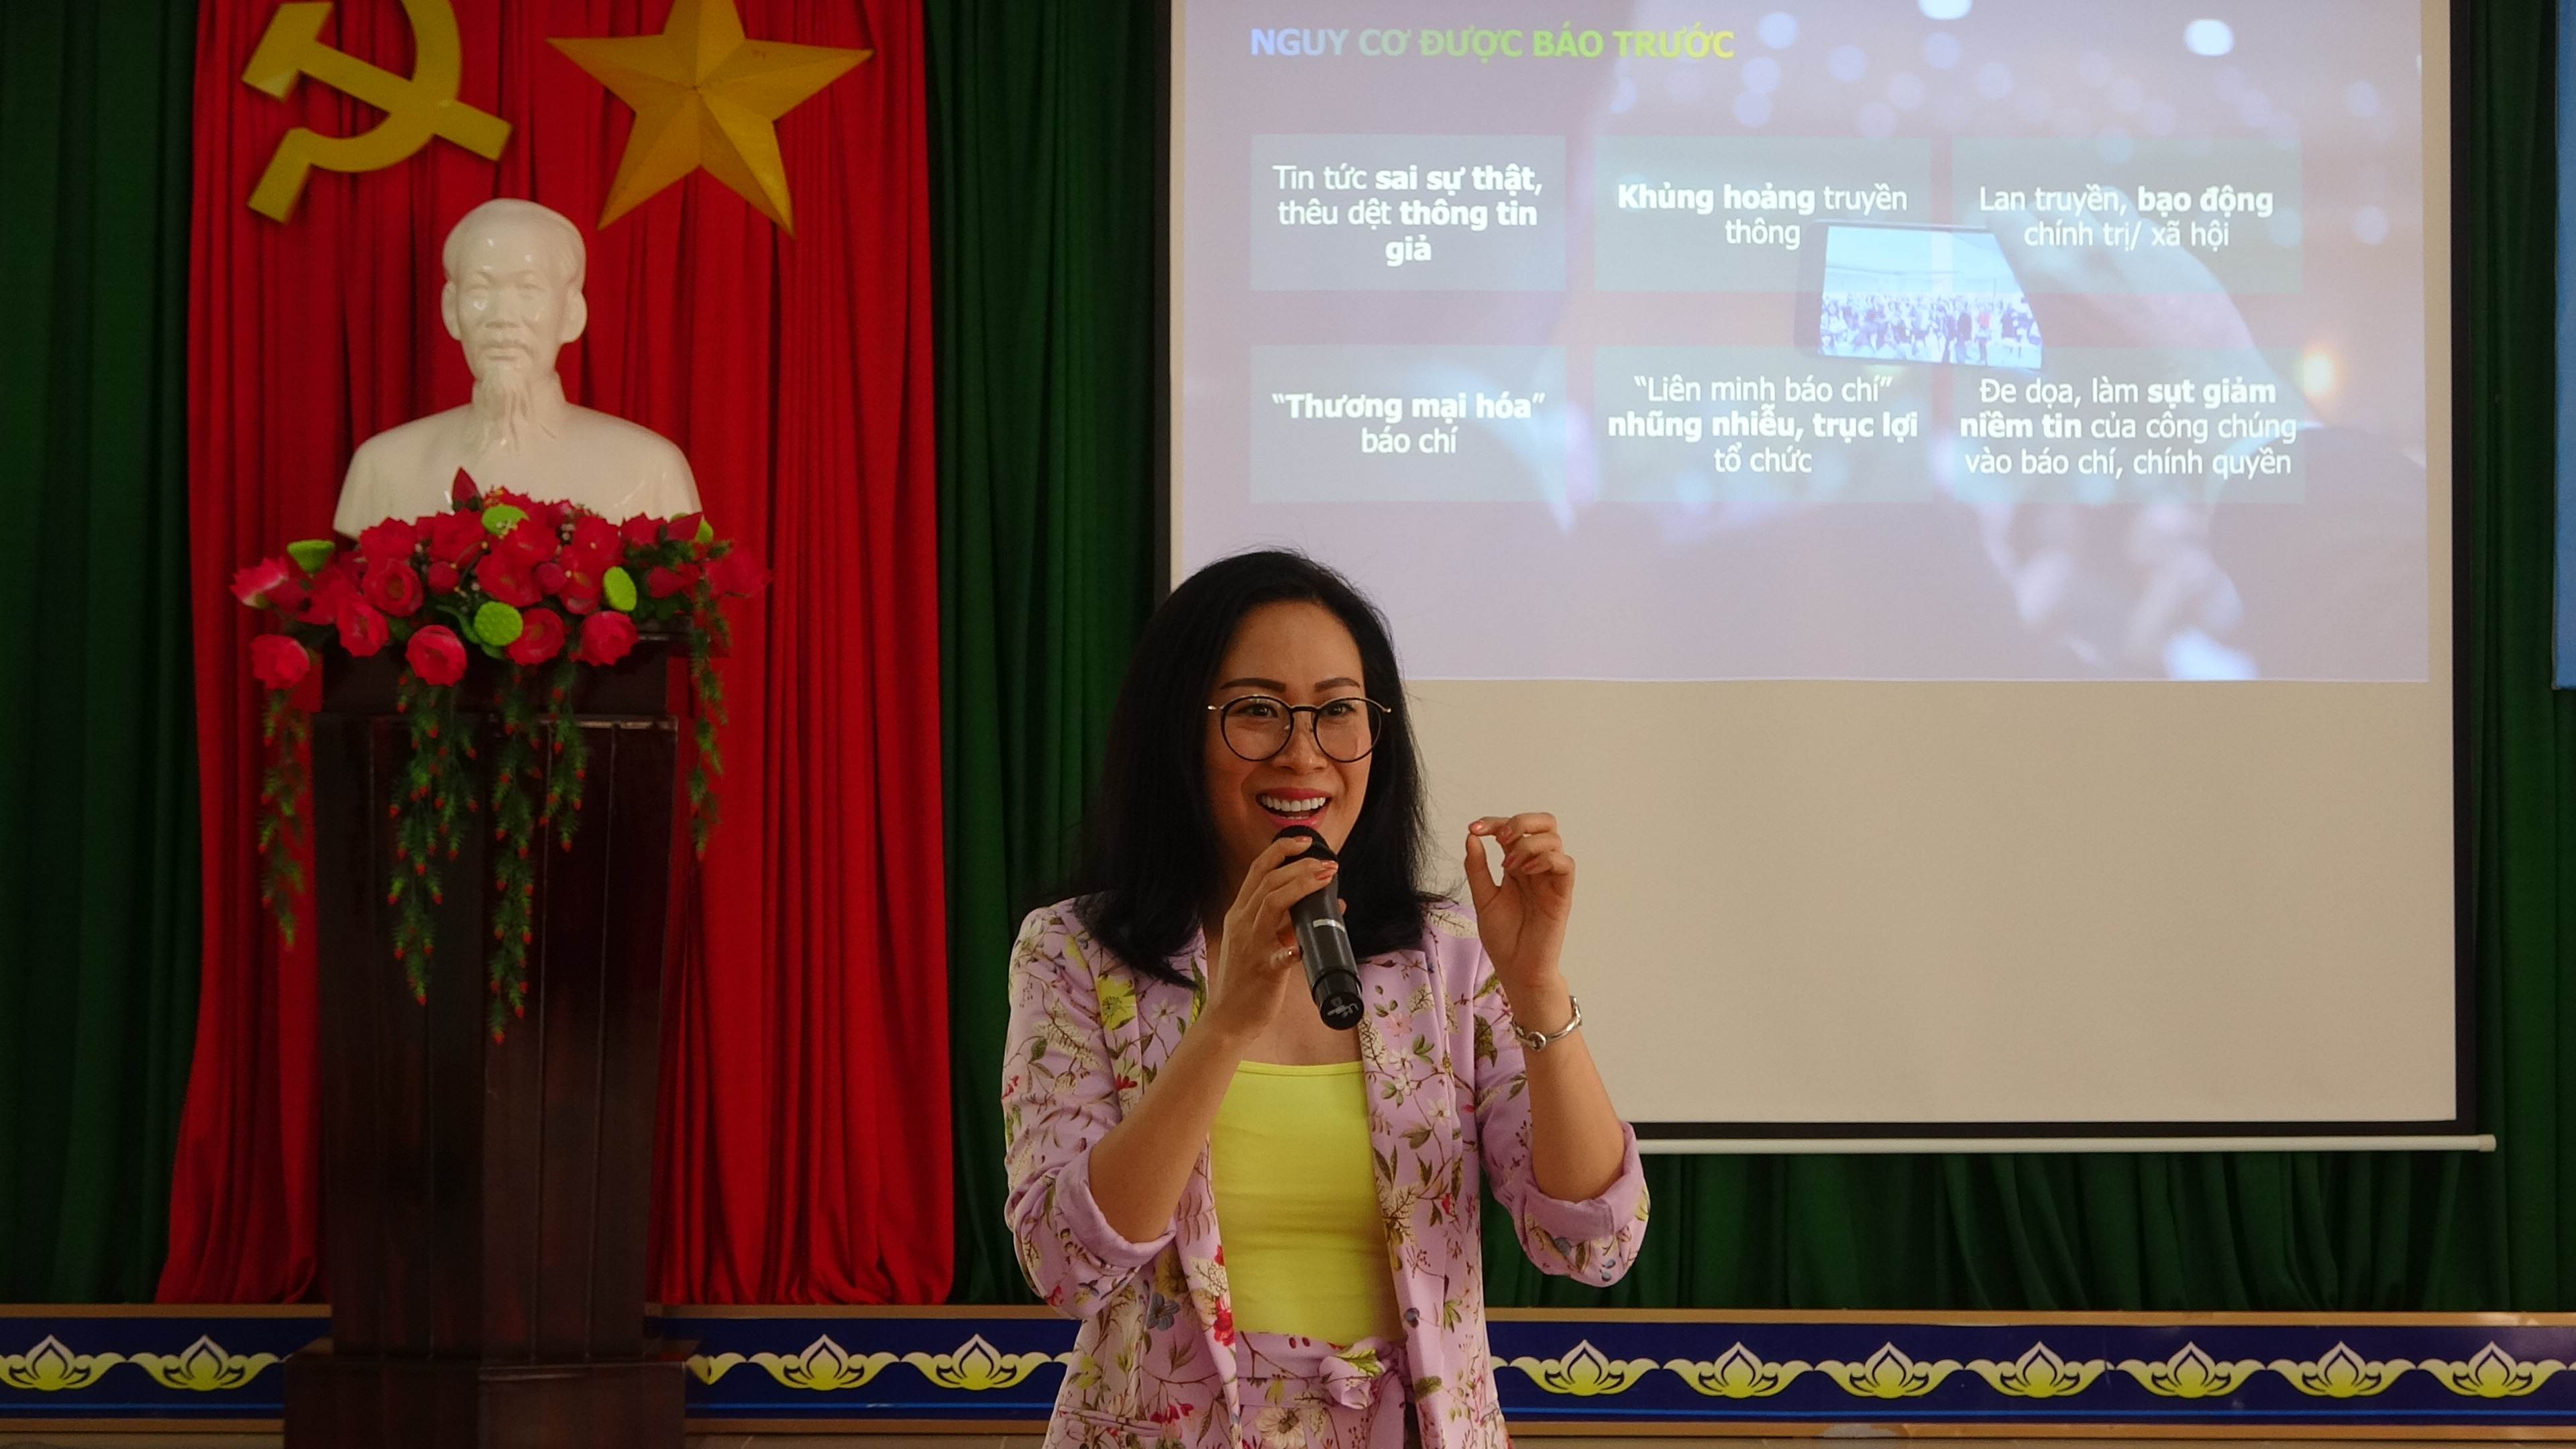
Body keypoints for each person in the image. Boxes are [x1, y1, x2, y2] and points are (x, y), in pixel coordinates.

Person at [1003, 550, 1648, 1449]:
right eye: (1258, 711)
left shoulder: (1447, 960)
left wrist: (1537, 988)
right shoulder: (1075, 952)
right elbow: (1065, 1266)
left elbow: (1591, 1246)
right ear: (1178, 732)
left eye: (1338, 711)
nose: (1303, 753)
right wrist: (1224, 1026)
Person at [331, 198, 701, 536]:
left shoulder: (649, 470)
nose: (502, 317)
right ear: (451, 310)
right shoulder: (383, 468)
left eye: (528, 290)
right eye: (480, 290)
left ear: (572, 314)